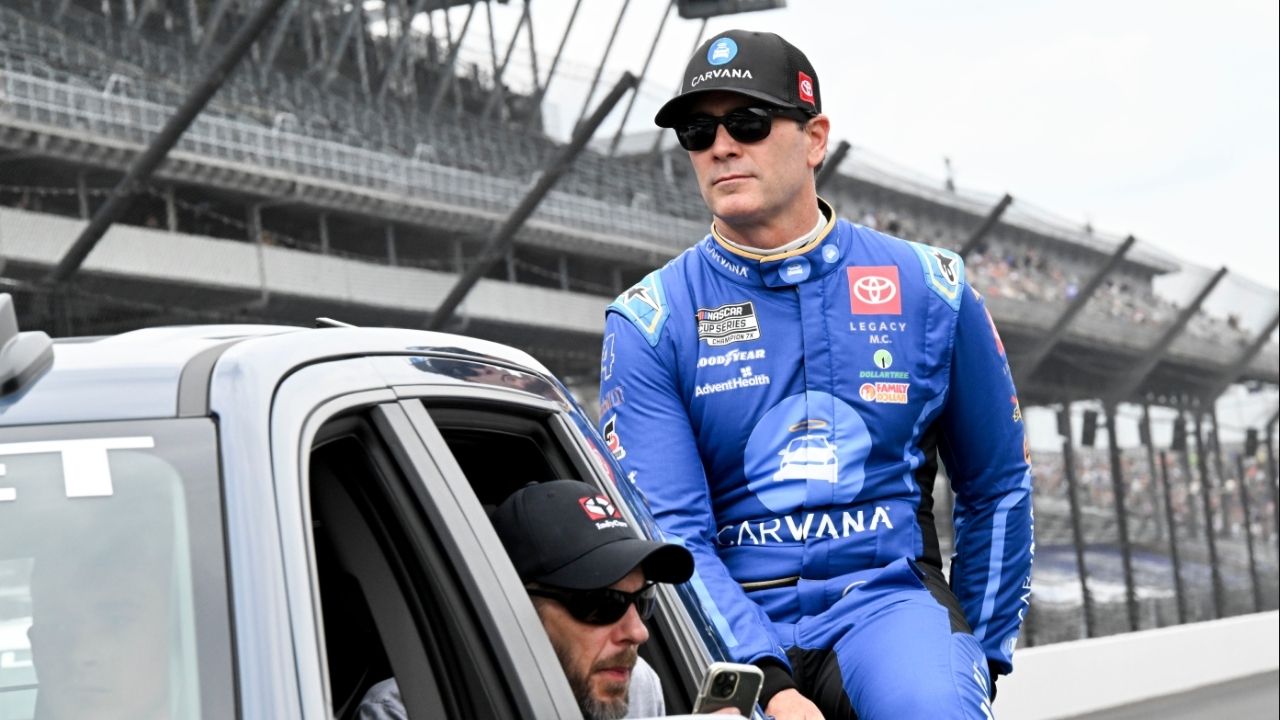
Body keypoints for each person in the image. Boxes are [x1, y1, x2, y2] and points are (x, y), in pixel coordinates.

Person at [598, 29, 1034, 720]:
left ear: (814, 137)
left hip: (887, 604)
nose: (720, 145)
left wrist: (981, 654)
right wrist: (768, 689)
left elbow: (998, 486)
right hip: (731, 615)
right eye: (696, 129)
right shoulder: (650, 319)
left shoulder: (931, 286)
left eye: (746, 121)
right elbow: (674, 533)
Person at [357, 479, 697, 720]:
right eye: (604, 602)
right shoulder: (410, 708)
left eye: (643, 599)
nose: (639, 633)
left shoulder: (637, 683)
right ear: (515, 608)